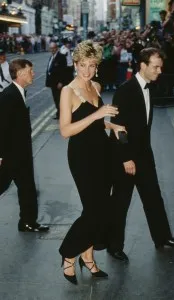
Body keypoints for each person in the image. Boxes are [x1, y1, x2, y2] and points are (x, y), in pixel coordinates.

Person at [108, 47, 174, 262]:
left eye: (161, 67)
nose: (160, 71)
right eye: (156, 67)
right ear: (142, 66)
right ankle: (114, 246)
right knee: (121, 202)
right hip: (126, 157)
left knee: (153, 198)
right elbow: (117, 126)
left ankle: (162, 238)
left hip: (144, 154)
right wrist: (126, 158)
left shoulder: (149, 88)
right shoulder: (125, 90)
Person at [58, 40, 126, 284]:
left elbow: (96, 123)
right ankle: (68, 254)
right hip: (82, 157)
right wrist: (98, 114)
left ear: (97, 67)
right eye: (82, 65)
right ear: (75, 64)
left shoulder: (96, 86)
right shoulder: (69, 91)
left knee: (100, 209)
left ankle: (88, 258)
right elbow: (65, 130)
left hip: (103, 153)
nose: (87, 71)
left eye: (92, 65)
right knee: (95, 210)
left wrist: (111, 124)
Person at [0, 59, 49, 233]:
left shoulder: (17, 92)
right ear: (20, 73)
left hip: (20, 153)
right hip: (11, 155)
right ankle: (28, 221)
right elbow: (2, 128)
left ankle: (28, 222)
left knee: (27, 188)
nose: (33, 73)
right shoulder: (9, 96)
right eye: (30, 70)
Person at [45, 42, 68, 119]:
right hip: (53, 82)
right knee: (56, 98)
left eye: (54, 48)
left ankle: (62, 114)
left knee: (60, 99)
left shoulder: (61, 57)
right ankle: (59, 113)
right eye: (51, 48)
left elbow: (64, 71)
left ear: (57, 48)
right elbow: (50, 68)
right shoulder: (52, 56)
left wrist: (61, 82)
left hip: (58, 83)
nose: (52, 50)